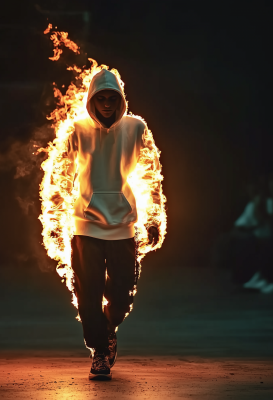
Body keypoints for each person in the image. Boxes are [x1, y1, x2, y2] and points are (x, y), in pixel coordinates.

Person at [65, 69, 161, 380]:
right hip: (85, 226)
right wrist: (55, 222)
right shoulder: (76, 130)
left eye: (112, 98)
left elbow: (150, 173)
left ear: (120, 99)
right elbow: (60, 178)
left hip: (123, 226)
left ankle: (107, 331)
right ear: (92, 100)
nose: (106, 104)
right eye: (101, 98)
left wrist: (154, 217)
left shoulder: (136, 127)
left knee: (122, 292)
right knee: (87, 294)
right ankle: (99, 353)